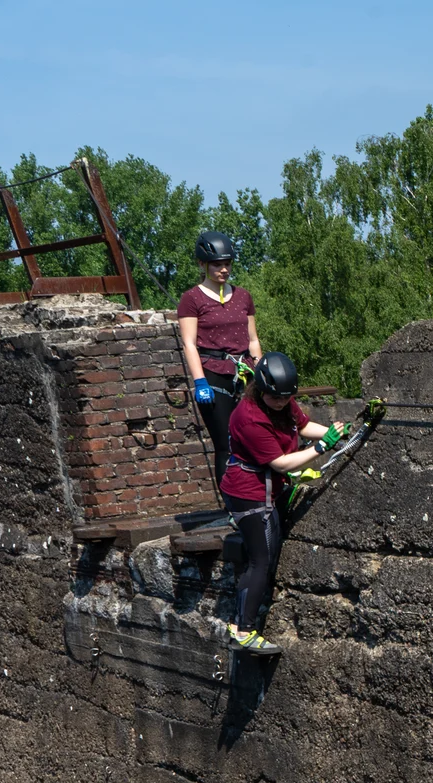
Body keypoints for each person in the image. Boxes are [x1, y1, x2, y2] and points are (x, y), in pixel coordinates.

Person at [217, 352, 347, 654]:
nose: (282, 402)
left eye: (287, 397)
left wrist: (335, 433)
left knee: (262, 555)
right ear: (261, 390)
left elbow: (301, 427)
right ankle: (245, 631)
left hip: (264, 490)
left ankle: (239, 625)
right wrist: (322, 447)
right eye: (276, 397)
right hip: (249, 493)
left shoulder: (282, 402)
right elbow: (281, 463)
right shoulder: (248, 417)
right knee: (260, 560)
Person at [176, 231, 262, 485]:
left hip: (245, 371)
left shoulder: (244, 296)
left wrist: (260, 373)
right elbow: (189, 343)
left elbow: (253, 339)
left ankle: (258, 494)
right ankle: (232, 503)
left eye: (228, 263)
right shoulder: (191, 299)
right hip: (213, 373)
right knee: (226, 442)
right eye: (217, 264)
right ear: (202, 264)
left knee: (254, 436)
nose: (224, 269)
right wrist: (200, 382)